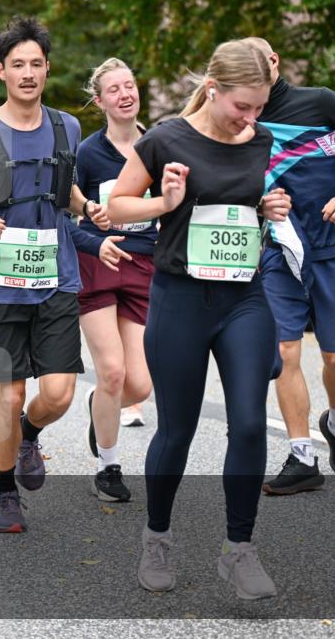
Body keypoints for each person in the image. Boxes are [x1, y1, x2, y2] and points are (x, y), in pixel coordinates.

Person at [107, 39, 292, 600]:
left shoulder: (260, 140)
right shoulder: (166, 137)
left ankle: (239, 551)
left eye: (259, 107)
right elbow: (117, 205)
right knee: (179, 430)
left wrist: (269, 207)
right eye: (243, 105)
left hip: (244, 297)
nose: (252, 117)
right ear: (213, 89)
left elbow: (248, 201)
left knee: (252, 422)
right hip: (181, 297)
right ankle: (157, 538)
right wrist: (163, 204)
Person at [0, 17, 126, 533]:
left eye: (36, 64)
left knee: (61, 392)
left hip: (56, 274)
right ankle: (4, 496)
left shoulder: (67, 127)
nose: (27, 73)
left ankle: (27, 435)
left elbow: (66, 192)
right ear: (2, 71)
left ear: (47, 70)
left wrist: (89, 209)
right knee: (10, 392)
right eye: (17, 64)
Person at [240, 38, 335, 495]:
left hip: (334, 247)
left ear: (274, 61)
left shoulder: (319, 101)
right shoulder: (241, 119)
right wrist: (259, 204)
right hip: (281, 250)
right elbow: (230, 182)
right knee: (285, 352)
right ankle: (301, 456)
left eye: (258, 64)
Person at [75, 58, 156, 503]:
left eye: (130, 85)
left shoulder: (158, 145)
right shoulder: (89, 153)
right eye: (115, 89)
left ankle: (99, 408)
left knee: (140, 385)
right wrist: (93, 233)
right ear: (100, 100)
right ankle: (108, 466)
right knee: (111, 371)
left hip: (145, 265)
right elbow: (75, 211)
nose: (125, 94)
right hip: (101, 264)